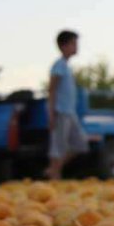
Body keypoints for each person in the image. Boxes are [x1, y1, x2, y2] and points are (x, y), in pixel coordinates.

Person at [46, 30, 86, 180]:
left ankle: (53, 170)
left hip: (70, 112)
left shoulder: (66, 66)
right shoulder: (58, 65)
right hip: (60, 111)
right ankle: (55, 177)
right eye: (73, 44)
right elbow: (51, 90)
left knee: (80, 144)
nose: (76, 47)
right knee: (58, 147)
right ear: (64, 46)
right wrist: (51, 113)